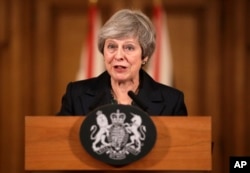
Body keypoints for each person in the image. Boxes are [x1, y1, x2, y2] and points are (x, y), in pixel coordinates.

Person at [58, 9, 187, 116]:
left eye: (129, 48)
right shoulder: (76, 95)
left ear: (145, 56)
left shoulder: (172, 101)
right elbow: (57, 142)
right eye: (112, 46)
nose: (118, 56)